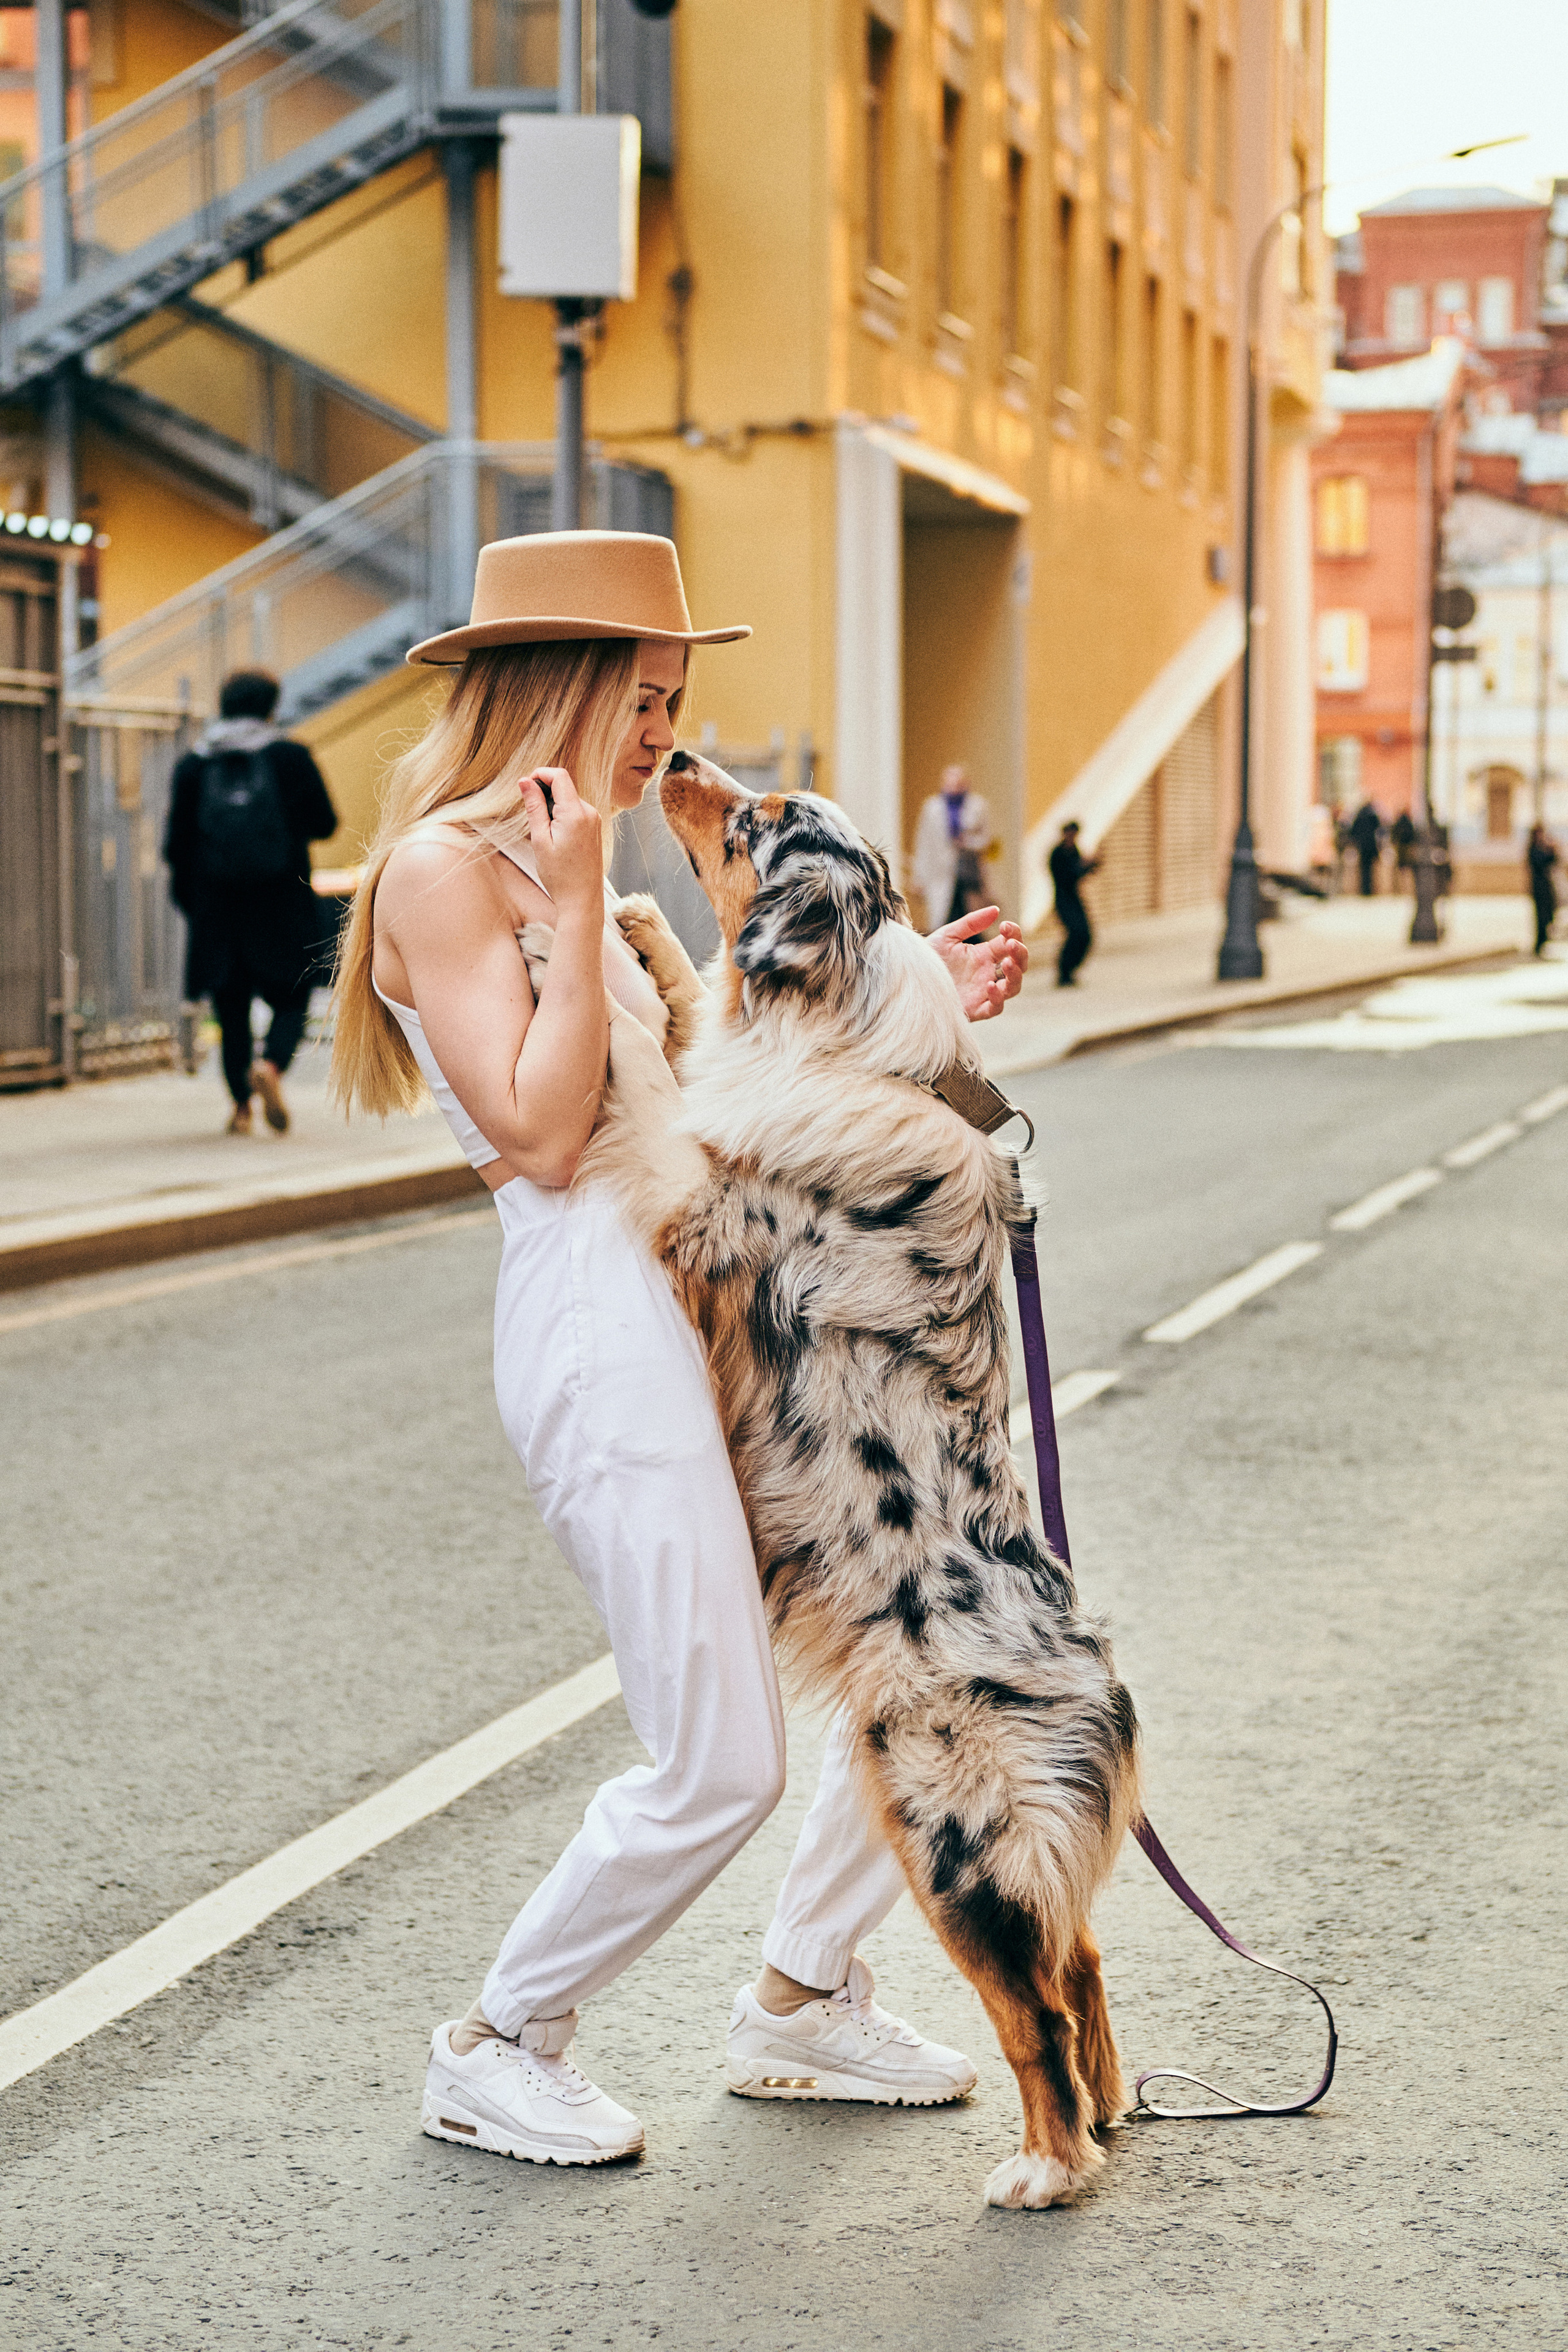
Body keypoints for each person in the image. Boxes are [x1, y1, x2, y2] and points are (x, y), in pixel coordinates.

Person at [330, 532, 1030, 2168]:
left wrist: (922, 1002)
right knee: (718, 1755)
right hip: (596, 1323)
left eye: (676, 702)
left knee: (920, 1663)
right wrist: (576, 905)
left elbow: (707, 1098)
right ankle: (500, 2037)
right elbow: (544, 1129)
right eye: (645, 702)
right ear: (558, 691)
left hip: (715, 1301)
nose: (665, 739)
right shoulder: (447, 872)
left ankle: (800, 1998)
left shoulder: (570, 874)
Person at [165, 671, 337, 1134]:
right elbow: (325, 823)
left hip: (217, 907)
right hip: (281, 899)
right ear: (270, 707)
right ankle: (273, 1067)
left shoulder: (194, 765)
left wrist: (192, 902)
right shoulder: (290, 757)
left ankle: (241, 1108)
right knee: (294, 992)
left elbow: (175, 845)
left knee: (232, 1005)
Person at [911, 763, 994, 928]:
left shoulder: (978, 806)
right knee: (942, 923)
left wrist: (968, 843)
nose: (954, 787)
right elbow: (924, 844)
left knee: (973, 925)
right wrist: (918, 877)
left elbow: (987, 841)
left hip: (969, 877)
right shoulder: (932, 808)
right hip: (940, 874)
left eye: (958, 782)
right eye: (950, 782)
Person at [1049, 819, 1100, 987]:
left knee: (1085, 934)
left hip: (1074, 898)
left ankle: (1071, 970)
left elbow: (1079, 872)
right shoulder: (1058, 853)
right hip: (1063, 900)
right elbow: (1067, 875)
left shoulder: (1074, 851)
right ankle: (1064, 969)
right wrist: (1085, 866)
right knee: (1076, 933)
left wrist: (1091, 865)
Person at [1528, 821, 1559, 955]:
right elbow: (1543, 861)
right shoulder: (1533, 849)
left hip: (1546, 887)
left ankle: (1544, 940)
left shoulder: (1541, 848)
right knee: (1541, 917)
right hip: (1538, 887)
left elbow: (1554, 860)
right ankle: (1539, 944)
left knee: (1548, 914)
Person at [1346, 798, 1384, 897]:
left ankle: (1364, 889)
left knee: (1363, 869)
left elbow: (1353, 831)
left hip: (1362, 846)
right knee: (1370, 869)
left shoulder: (1359, 815)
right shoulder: (1373, 815)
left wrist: (1356, 841)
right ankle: (1370, 889)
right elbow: (1379, 828)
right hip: (1371, 845)